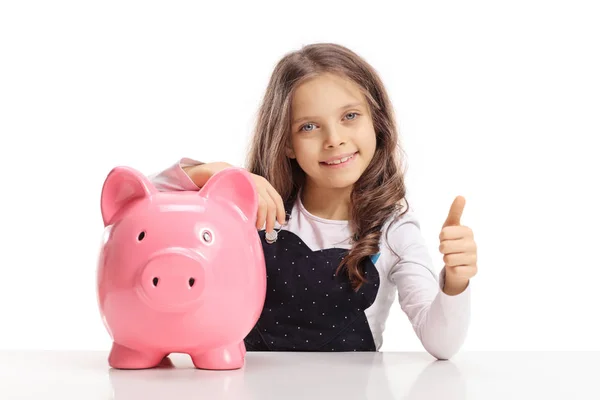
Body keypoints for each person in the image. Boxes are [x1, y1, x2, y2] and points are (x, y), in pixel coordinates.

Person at [148, 43, 478, 360]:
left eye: (350, 116)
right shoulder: (253, 206)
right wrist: (214, 173)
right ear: (287, 143)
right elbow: (143, 203)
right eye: (309, 127)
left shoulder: (394, 229)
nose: (334, 139)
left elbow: (442, 343)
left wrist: (456, 278)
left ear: (376, 123)